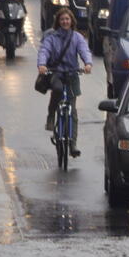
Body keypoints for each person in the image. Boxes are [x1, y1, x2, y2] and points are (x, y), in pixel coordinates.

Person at [37, 8, 93, 157]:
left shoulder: (77, 37)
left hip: (72, 75)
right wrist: (42, 65)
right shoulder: (51, 37)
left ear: (71, 21)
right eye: (62, 19)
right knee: (57, 89)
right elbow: (44, 51)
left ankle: (73, 144)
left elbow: (84, 51)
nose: (65, 22)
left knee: (72, 111)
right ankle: (51, 116)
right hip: (57, 73)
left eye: (67, 19)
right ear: (58, 22)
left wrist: (88, 64)